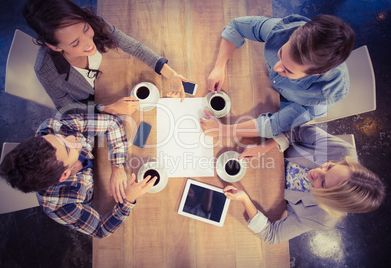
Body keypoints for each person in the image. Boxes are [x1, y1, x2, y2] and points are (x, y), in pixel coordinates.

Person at [0, 113, 157, 238]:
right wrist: (127, 200)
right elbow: (101, 230)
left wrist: (117, 166)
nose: (71, 137)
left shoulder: (52, 128)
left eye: (59, 138)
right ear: (64, 175)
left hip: (107, 165)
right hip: (101, 197)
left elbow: (112, 123)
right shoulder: (59, 206)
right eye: (68, 149)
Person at [222, 125, 386, 244]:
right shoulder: (343, 151)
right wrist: (264, 148)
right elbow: (298, 131)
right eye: (329, 166)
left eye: (322, 182)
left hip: (262, 187)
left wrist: (244, 199)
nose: (317, 171)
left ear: (328, 201)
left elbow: (273, 235)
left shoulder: (322, 218)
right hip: (270, 153)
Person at [201, 14, 355, 138]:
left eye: (287, 70)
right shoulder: (283, 30)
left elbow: (274, 125)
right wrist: (219, 66)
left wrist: (222, 130)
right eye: (281, 53)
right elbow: (237, 26)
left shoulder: (323, 97)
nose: (275, 67)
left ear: (317, 73)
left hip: (287, 105)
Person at [22, 0, 187, 114]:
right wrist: (106, 108)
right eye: (75, 44)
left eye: (86, 29)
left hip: (111, 84)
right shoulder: (46, 70)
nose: (89, 43)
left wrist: (170, 73)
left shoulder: (95, 23)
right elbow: (67, 108)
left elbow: (134, 47)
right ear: (54, 47)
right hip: (96, 105)